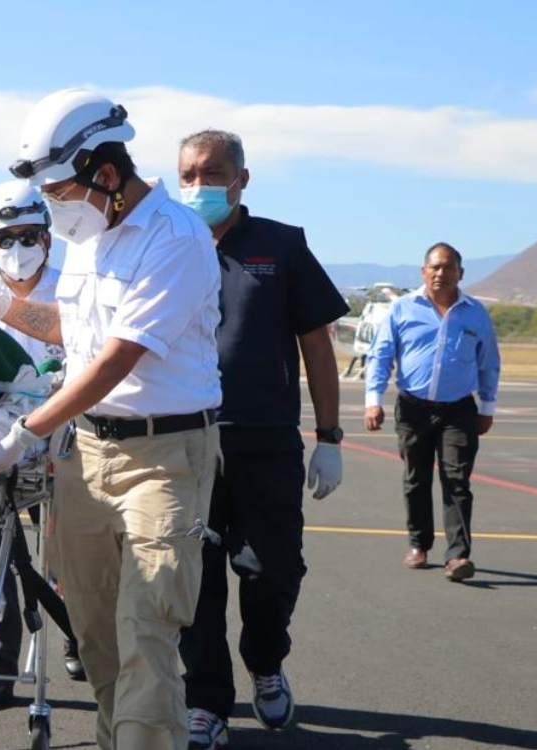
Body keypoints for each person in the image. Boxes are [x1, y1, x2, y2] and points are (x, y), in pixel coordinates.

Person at [0, 88, 222, 750]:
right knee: (95, 637)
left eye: (62, 189)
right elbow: (77, 332)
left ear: (107, 172)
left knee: (146, 631)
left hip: (163, 458)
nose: (54, 206)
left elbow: (118, 358)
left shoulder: (175, 239)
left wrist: (22, 435)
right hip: (87, 457)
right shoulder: (91, 235)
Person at [174, 129, 348, 749]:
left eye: (213, 173)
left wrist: (330, 436)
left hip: (266, 441)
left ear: (242, 178)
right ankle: (207, 702)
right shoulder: (168, 243)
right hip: (185, 442)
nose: (199, 186)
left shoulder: (282, 245)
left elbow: (316, 345)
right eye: (188, 175)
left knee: (274, 571)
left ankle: (266, 659)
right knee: (195, 582)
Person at [0, 180, 84, 710]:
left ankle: (82, 636)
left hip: (66, 445)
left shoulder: (75, 290)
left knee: (71, 558)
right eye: (6, 237)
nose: (18, 247)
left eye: (29, 234)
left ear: (48, 235)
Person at [365, 242, 500, 582]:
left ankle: (458, 555)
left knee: (457, 479)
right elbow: (381, 355)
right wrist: (373, 399)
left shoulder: (475, 313)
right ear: (423, 271)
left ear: (460, 273)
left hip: (459, 409)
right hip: (413, 407)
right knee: (416, 477)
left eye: (448, 267)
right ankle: (419, 544)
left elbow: (489, 364)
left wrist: (487, 407)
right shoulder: (402, 309)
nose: (441, 273)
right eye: (435, 267)